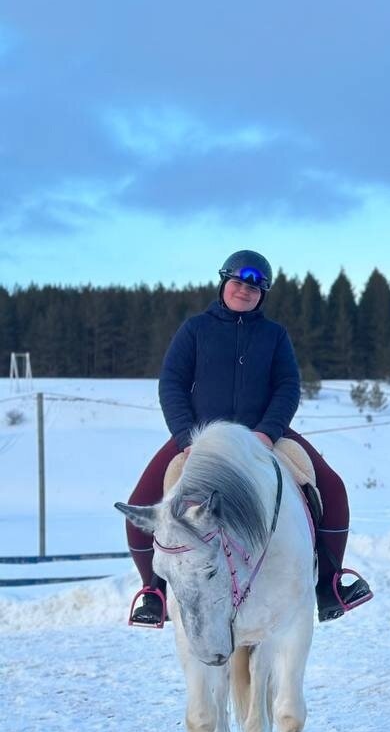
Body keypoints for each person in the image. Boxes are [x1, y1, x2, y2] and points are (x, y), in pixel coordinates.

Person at [125, 249, 373, 626]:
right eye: (239, 283)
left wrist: (268, 432)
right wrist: (185, 436)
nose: (245, 291)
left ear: (263, 295)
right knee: (141, 503)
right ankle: (153, 591)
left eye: (255, 288)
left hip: (265, 436)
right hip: (199, 440)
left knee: (333, 488)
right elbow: (172, 383)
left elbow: (288, 386)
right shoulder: (195, 329)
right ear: (224, 282)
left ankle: (330, 583)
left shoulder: (274, 336)